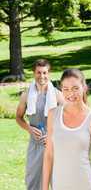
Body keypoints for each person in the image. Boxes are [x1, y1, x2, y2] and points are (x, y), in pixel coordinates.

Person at [43, 68, 91, 190]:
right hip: (58, 185)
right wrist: (44, 187)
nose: (70, 94)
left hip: (85, 184)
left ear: (84, 88)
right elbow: (49, 155)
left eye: (75, 88)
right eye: (65, 89)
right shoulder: (53, 115)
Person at [16, 59, 64, 190]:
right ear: (33, 73)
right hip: (35, 144)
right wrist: (29, 129)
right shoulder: (26, 96)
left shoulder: (58, 95)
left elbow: (67, 119)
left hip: (55, 145)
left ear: (49, 73)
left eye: (44, 72)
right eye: (38, 72)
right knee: (33, 182)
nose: (42, 76)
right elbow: (18, 117)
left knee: (58, 182)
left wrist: (52, 133)